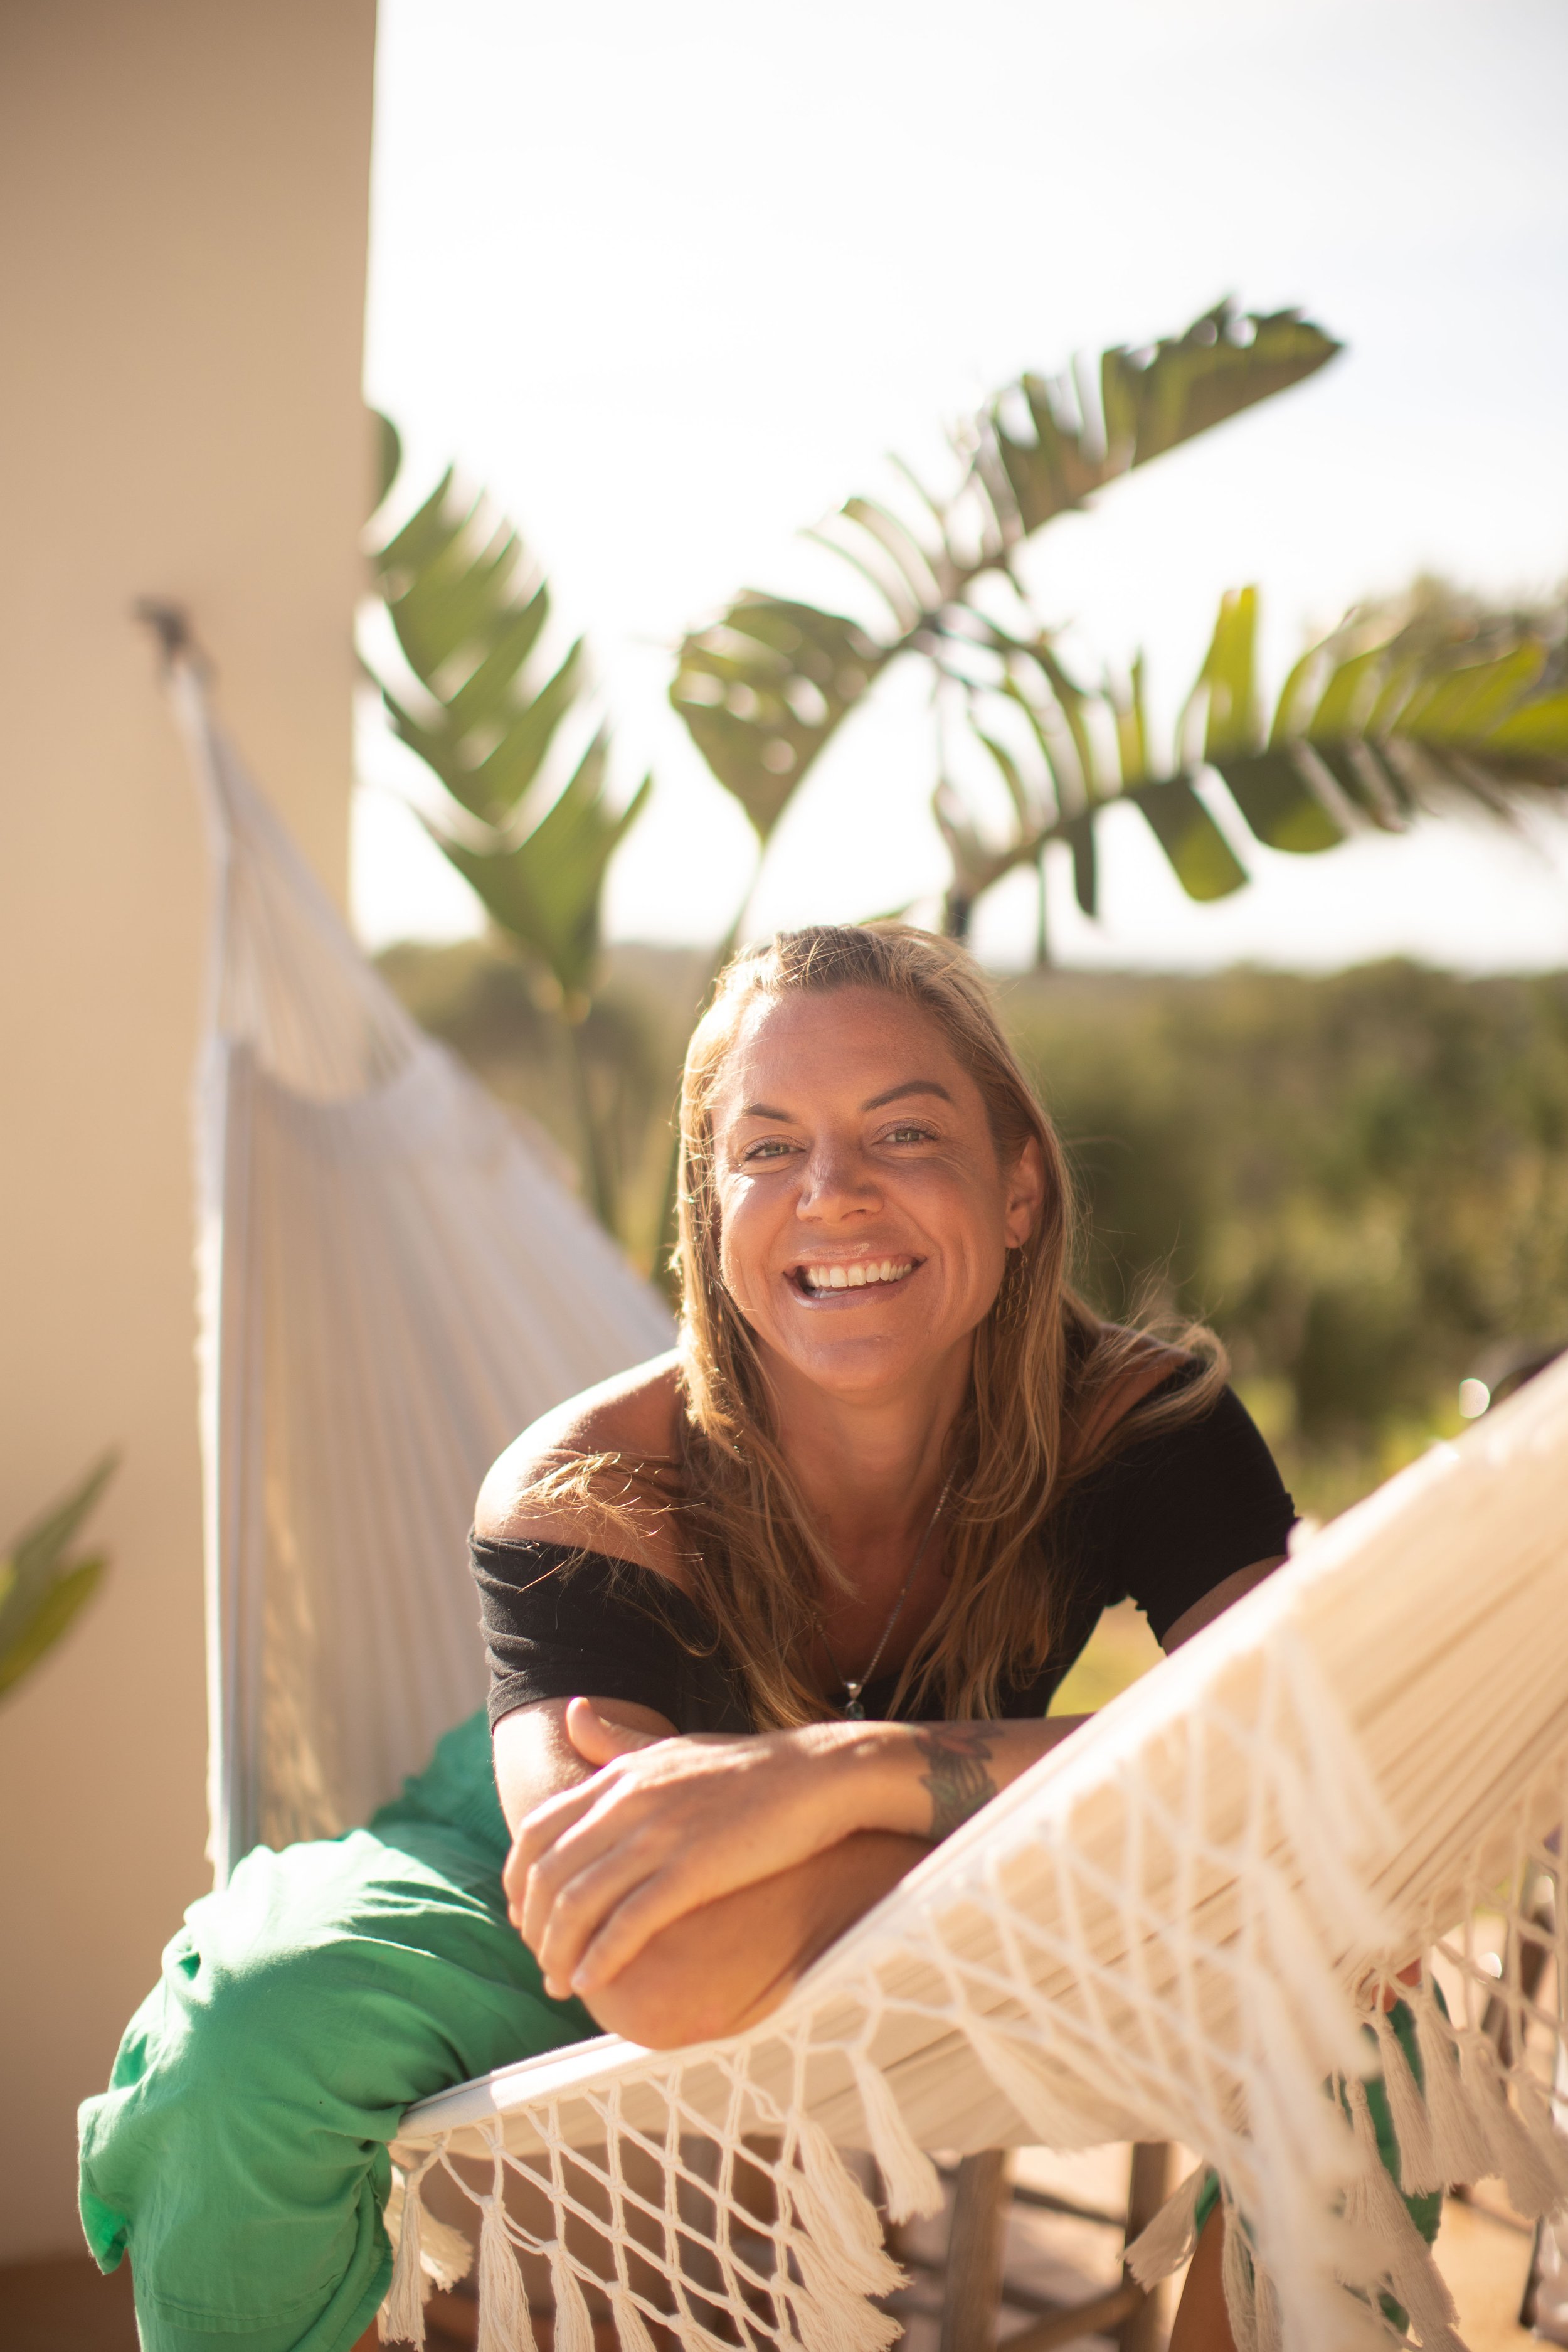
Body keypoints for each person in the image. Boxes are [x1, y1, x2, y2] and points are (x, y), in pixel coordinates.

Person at [80, 923, 1342, 2351]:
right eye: (766, 1148)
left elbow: (1313, 1749)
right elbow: (646, 1953)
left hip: (932, 1880)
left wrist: (837, 1775)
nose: (833, 1191)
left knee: (1365, 1957)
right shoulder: (586, 1489)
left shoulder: (1139, 1427)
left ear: (1016, 1188)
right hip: (516, 1886)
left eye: (904, 1132)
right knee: (250, 2036)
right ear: (710, 1212)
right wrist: (1114, 1809)